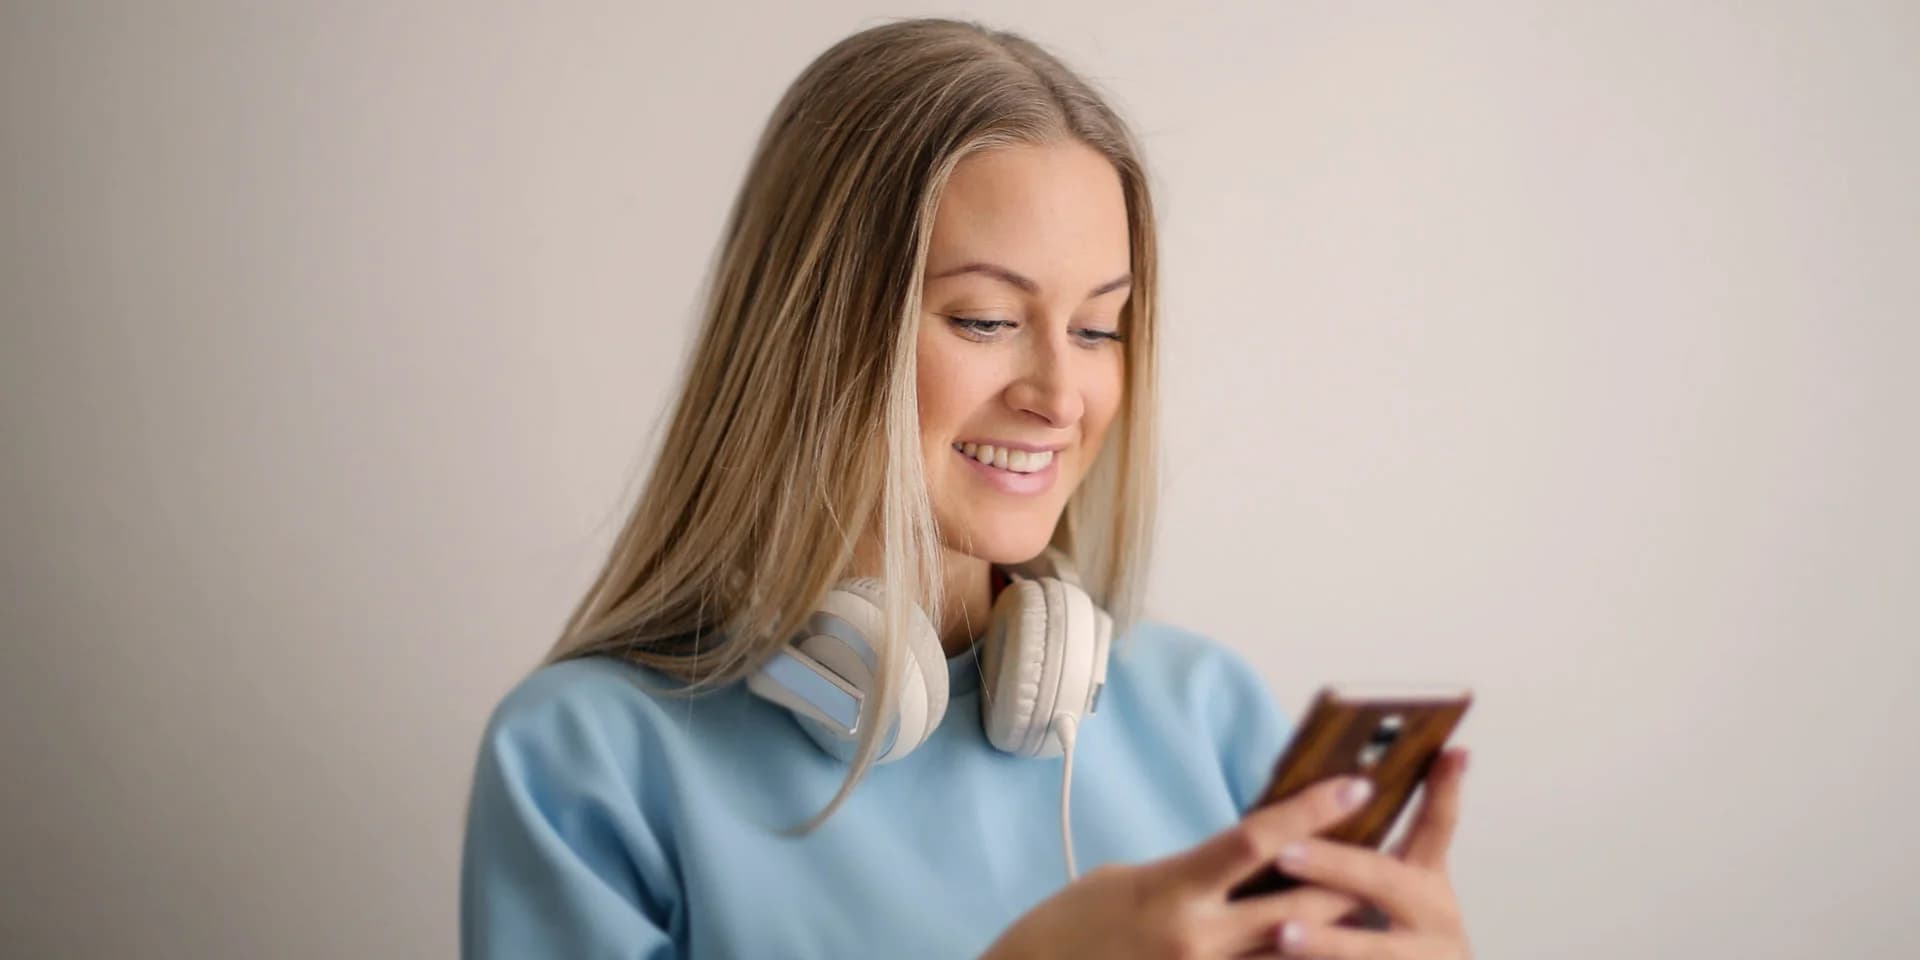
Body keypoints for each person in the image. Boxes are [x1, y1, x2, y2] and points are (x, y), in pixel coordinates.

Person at [459, 16, 1473, 959]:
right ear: (813, 337)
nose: (1060, 397)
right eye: (987, 320)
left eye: (1098, 329)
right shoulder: (585, 761)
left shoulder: (1205, 714)